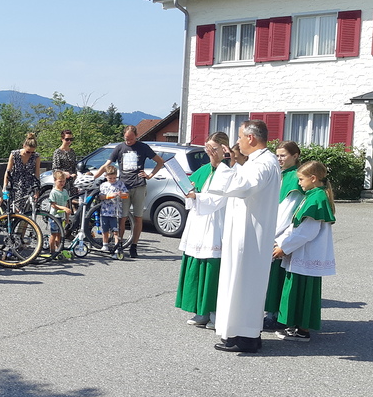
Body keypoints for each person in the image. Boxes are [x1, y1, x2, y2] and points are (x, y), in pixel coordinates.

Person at [205, 120, 282, 353]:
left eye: (239, 137)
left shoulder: (264, 163)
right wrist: (228, 164)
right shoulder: (256, 162)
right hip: (244, 232)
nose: (237, 141)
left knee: (244, 284)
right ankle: (241, 333)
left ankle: (245, 337)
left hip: (250, 236)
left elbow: (244, 186)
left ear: (251, 138)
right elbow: (240, 182)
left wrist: (220, 164)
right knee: (240, 283)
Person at [272, 161, 336, 341]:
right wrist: (281, 242)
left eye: (301, 179)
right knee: (297, 291)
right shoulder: (313, 195)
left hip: (307, 254)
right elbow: (296, 226)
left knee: (303, 292)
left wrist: (284, 248)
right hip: (302, 252)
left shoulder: (317, 198)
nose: (299, 183)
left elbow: (307, 231)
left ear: (313, 178)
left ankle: (302, 330)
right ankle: (296, 326)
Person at [175, 132, 232, 330]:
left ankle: (216, 314)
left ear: (224, 149)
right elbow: (192, 194)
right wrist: (189, 191)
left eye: (213, 149)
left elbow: (219, 199)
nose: (209, 152)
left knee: (212, 268)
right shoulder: (204, 170)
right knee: (197, 265)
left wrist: (197, 197)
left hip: (216, 223)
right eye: (207, 148)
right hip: (198, 223)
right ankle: (201, 311)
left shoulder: (227, 172)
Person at [92, 125, 165, 258]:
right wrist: (93, 178)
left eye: (131, 139)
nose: (129, 141)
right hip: (123, 187)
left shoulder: (143, 147)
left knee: (138, 217)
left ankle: (134, 246)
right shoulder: (120, 148)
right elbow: (107, 165)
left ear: (136, 136)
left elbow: (160, 162)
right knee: (122, 217)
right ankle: (119, 244)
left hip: (139, 186)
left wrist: (150, 175)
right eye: (126, 139)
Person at [264, 141, 304, 328]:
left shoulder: (296, 178)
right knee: (271, 278)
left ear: (295, 156)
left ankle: (277, 316)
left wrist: (274, 235)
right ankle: (270, 313)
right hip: (274, 231)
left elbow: (288, 211)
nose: (279, 159)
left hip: (283, 234)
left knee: (279, 278)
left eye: (283, 155)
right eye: (277, 155)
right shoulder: (279, 174)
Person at [3, 133, 41, 211]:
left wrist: (37, 189)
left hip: (29, 185)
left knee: (27, 210)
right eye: (28, 152)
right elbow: (8, 171)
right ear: (24, 146)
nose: (30, 154)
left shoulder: (36, 156)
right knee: (14, 209)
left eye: (32, 152)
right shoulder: (14, 154)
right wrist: (5, 186)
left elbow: (37, 173)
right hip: (15, 184)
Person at [97, 165, 128, 253]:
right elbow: (101, 197)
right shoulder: (103, 185)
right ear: (106, 176)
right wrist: (109, 196)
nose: (113, 180)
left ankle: (117, 246)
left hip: (116, 212)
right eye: (110, 178)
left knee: (115, 230)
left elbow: (126, 194)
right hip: (105, 211)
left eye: (114, 178)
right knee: (105, 229)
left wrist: (121, 194)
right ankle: (105, 245)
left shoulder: (120, 184)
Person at [47, 170, 73, 256]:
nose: (62, 183)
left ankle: (59, 249)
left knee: (60, 234)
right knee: (53, 234)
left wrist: (67, 217)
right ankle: (52, 250)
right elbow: (53, 205)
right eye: (60, 181)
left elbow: (66, 204)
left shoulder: (64, 191)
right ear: (55, 180)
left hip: (61, 217)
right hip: (54, 216)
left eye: (64, 181)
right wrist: (64, 208)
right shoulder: (53, 192)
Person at [51, 129, 78, 200]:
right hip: (62, 181)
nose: (69, 141)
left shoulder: (72, 151)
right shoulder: (57, 152)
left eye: (71, 139)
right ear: (62, 139)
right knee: (61, 201)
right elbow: (55, 168)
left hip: (72, 181)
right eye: (67, 139)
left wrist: (75, 174)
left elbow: (74, 166)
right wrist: (64, 173)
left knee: (73, 200)